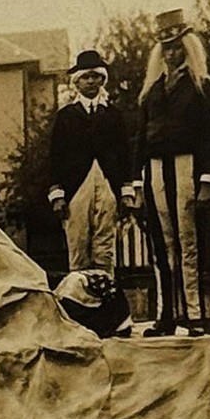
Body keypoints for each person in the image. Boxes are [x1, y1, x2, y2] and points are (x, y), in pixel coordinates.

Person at [131, 9, 210, 337]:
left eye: (176, 47)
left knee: (188, 243)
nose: (171, 53)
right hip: (155, 171)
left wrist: (206, 180)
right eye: (165, 48)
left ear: (187, 47)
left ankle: (193, 315)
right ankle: (165, 315)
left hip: (186, 167)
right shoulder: (151, 92)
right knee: (161, 244)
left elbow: (209, 135)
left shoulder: (199, 86)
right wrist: (137, 184)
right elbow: (140, 138)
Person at [48, 49, 134, 278]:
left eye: (96, 77)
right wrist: (57, 194)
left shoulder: (113, 114)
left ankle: (106, 303)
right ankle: (80, 305)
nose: (91, 82)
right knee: (78, 246)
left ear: (102, 80)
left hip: (107, 183)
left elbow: (124, 153)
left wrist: (126, 191)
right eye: (86, 77)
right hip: (76, 186)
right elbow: (55, 156)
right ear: (77, 82)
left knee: (104, 249)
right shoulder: (66, 116)